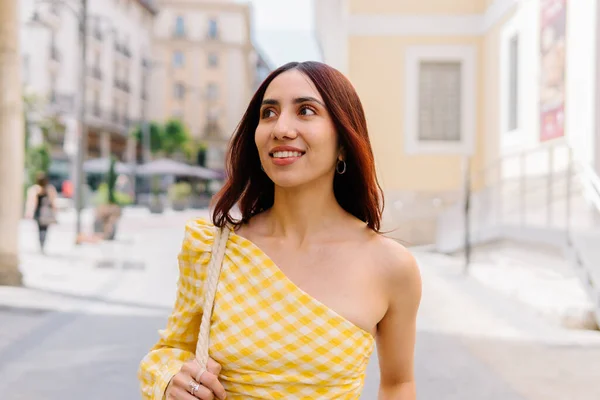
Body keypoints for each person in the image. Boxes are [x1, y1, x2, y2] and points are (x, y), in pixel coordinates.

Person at [138, 61, 422, 399]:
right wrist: (172, 381)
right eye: (268, 113)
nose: (281, 128)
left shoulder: (391, 267)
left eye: (305, 111)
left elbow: (398, 383)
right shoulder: (212, 249)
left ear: (344, 141)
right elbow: (167, 352)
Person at [25, 172, 58, 253]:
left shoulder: (35, 189)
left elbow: (33, 203)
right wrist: (55, 211)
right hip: (47, 212)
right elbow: (53, 202)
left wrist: (29, 212)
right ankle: (42, 243)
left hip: (39, 213)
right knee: (45, 229)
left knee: (40, 229)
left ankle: (41, 243)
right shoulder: (50, 189)